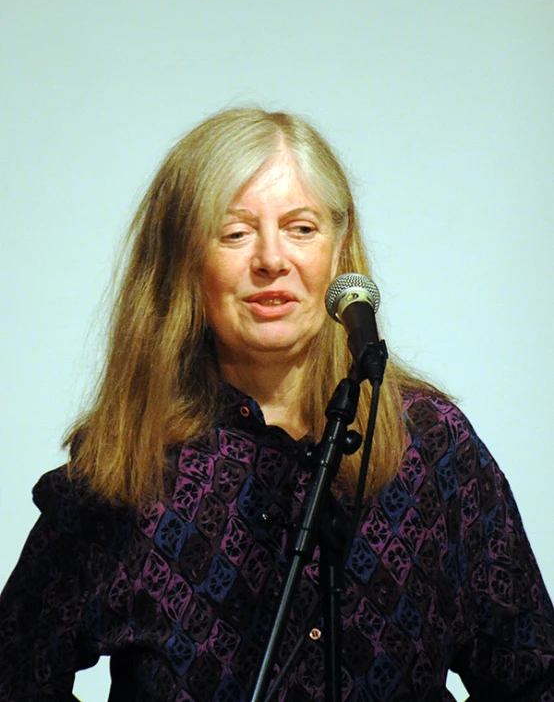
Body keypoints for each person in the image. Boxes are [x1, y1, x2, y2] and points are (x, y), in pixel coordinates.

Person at [1, 107, 553, 702]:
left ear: (339, 252)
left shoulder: (434, 448)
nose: (271, 259)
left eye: (301, 228)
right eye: (235, 233)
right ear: (184, 264)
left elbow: (534, 681)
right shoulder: (128, 472)